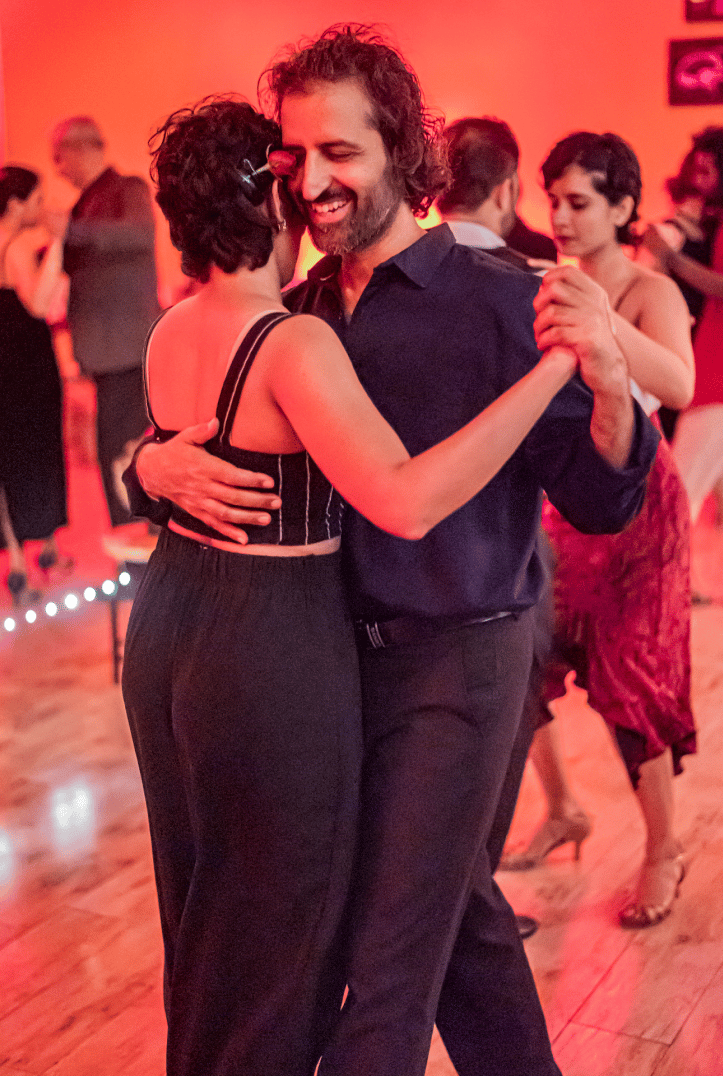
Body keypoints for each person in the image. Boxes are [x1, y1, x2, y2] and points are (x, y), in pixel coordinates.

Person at [126, 26, 659, 1076]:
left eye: (343, 153)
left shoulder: (502, 294)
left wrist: (602, 380)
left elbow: (603, 497)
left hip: (456, 660)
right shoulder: (296, 308)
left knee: (387, 963)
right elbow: (209, 441)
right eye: (298, 157)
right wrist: (149, 468)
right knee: (455, 922)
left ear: (404, 151)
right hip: (323, 664)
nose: (315, 181)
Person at [502, 133, 696, 931]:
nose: (559, 217)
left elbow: (678, 382)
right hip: (563, 500)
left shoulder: (649, 289)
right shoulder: (546, 284)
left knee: (631, 679)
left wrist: (596, 318)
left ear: (621, 208)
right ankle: (563, 808)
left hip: (642, 506)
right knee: (525, 663)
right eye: (552, 200)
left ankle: (664, 847)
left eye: (578, 202)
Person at [51, 116, 159, 527]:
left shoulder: (127, 189)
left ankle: (137, 545)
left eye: (59, 157)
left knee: (124, 455)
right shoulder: (85, 202)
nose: (59, 169)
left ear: (81, 149)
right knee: (115, 452)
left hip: (126, 350)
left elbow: (136, 235)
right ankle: (130, 541)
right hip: (108, 354)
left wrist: (70, 229)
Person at [643, 127, 723, 534]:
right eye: (697, 169)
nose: (700, 178)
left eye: (710, 169)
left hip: (711, 373)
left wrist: (670, 257)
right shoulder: (695, 227)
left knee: (679, 497)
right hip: (695, 363)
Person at [0, 166, 69, 605]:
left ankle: (18, 560)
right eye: (37, 200)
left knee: (6, 458)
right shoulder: (18, 245)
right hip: (25, 364)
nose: (42, 208)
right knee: (37, 452)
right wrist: (58, 241)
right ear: (16, 204)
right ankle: (36, 557)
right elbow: (39, 303)